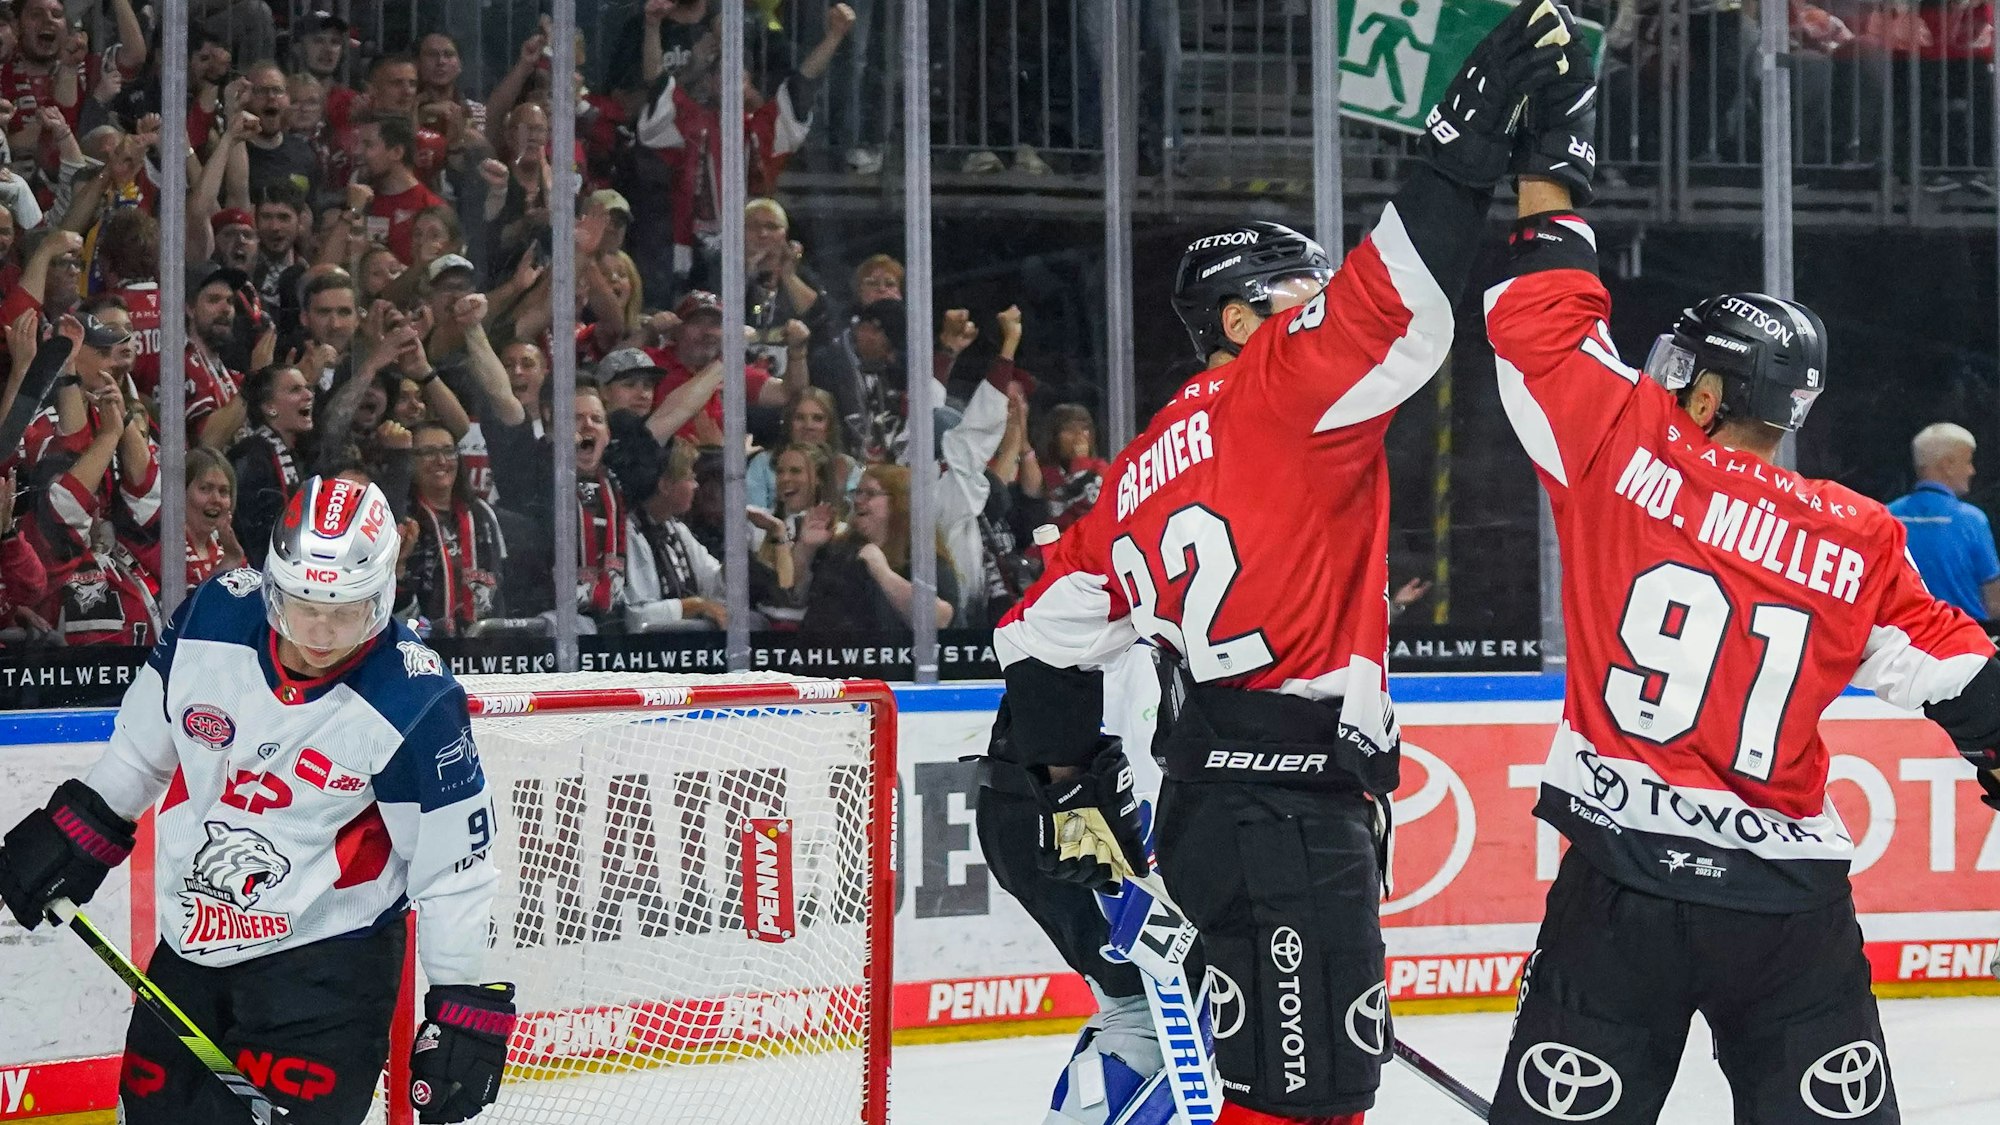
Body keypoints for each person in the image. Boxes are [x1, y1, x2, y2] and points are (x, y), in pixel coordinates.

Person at [971, 5, 1580, 1123]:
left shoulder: (1144, 463)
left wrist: (1064, 788)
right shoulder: (1282, 388)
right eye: (1299, 299)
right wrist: (1464, 140)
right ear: (1242, 319)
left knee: (1231, 1077)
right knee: (1305, 1108)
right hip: (1289, 816)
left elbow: (1039, 635)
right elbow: (1400, 296)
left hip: (1210, 807)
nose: (1318, 315)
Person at [1480, 41, 2000, 1125]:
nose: (1667, 380)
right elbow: (1958, 672)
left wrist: (1549, 156)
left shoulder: (1624, 453)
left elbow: (1537, 315)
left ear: (1712, 391)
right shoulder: (1854, 532)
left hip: (1620, 890)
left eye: (1684, 369)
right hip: (1786, 913)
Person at [0, 476, 516, 1123]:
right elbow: (138, 755)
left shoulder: (416, 700)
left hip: (325, 975)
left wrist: (459, 1003)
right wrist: (75, 828)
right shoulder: (211, 621)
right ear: (273, 583)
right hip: (189, 952)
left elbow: (453, 870)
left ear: (381, 597)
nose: (322, 631)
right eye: (305, 604)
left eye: (347, 608)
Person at [799, 463, 954, 634]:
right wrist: (806, 549)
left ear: (900, 502)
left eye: (870, 494)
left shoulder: (925, 560)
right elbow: (795, 597)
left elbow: (940, 619)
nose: (857, 501)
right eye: (857, 492)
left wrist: (883, 572)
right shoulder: (841, 549)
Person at [1888, 422, 2000, 621]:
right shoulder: (1971, 520)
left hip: (1900, 643)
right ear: (1947, 464)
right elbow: (1994, 603)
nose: (1971, 471)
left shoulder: (1887, 516)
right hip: (1962, 644)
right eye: (1968, 462)